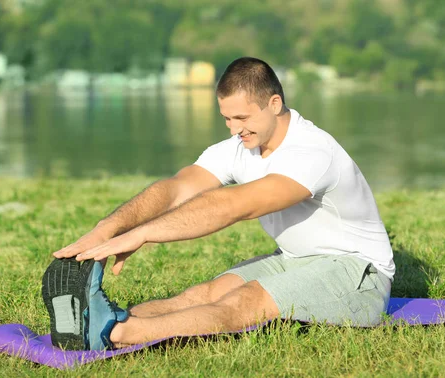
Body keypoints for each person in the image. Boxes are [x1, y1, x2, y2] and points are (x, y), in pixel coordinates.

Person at [43, 57, 395, 351]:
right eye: (226, 118)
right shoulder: (242, 144)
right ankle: (101, 321)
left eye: (241, 118)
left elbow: (235, 206)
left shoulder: (313, 151)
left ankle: (112, 335)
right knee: (204, 293)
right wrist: (108, 229)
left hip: (358, 272)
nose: (233, 129)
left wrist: (142, 235)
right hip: (294, 260)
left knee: (242, 304)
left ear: (274, 104)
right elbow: (177, 188)